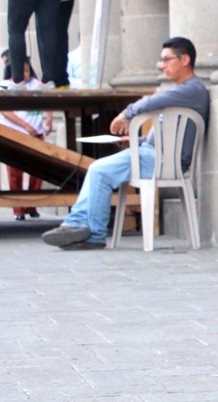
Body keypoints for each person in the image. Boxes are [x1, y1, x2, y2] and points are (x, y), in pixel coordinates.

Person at [41, 37, 207, 249]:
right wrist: (135, 140)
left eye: (167, 60)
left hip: (162, 159)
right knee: (98, 170)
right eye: (161, 60)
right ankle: (81, 226)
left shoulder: (191, 89)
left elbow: (150, 102)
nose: (162, 65)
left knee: (98, 170)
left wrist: (125, 114)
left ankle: (87, 230)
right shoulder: (185, 91)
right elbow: (167, 134)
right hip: (153, 153)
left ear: (185, 60)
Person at [0, 53, 51, 219]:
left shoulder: (36, 85)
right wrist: (25, 126)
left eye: (27, 71)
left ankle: (32, 206)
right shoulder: (4, 86)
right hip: (14, 133)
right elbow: (5, 111)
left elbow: (48, 100)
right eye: (21, 71)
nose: (25, 75)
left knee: (38, 169)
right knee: (15, 172)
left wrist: (48, 120)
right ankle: (18, 209)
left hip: (36, 133)